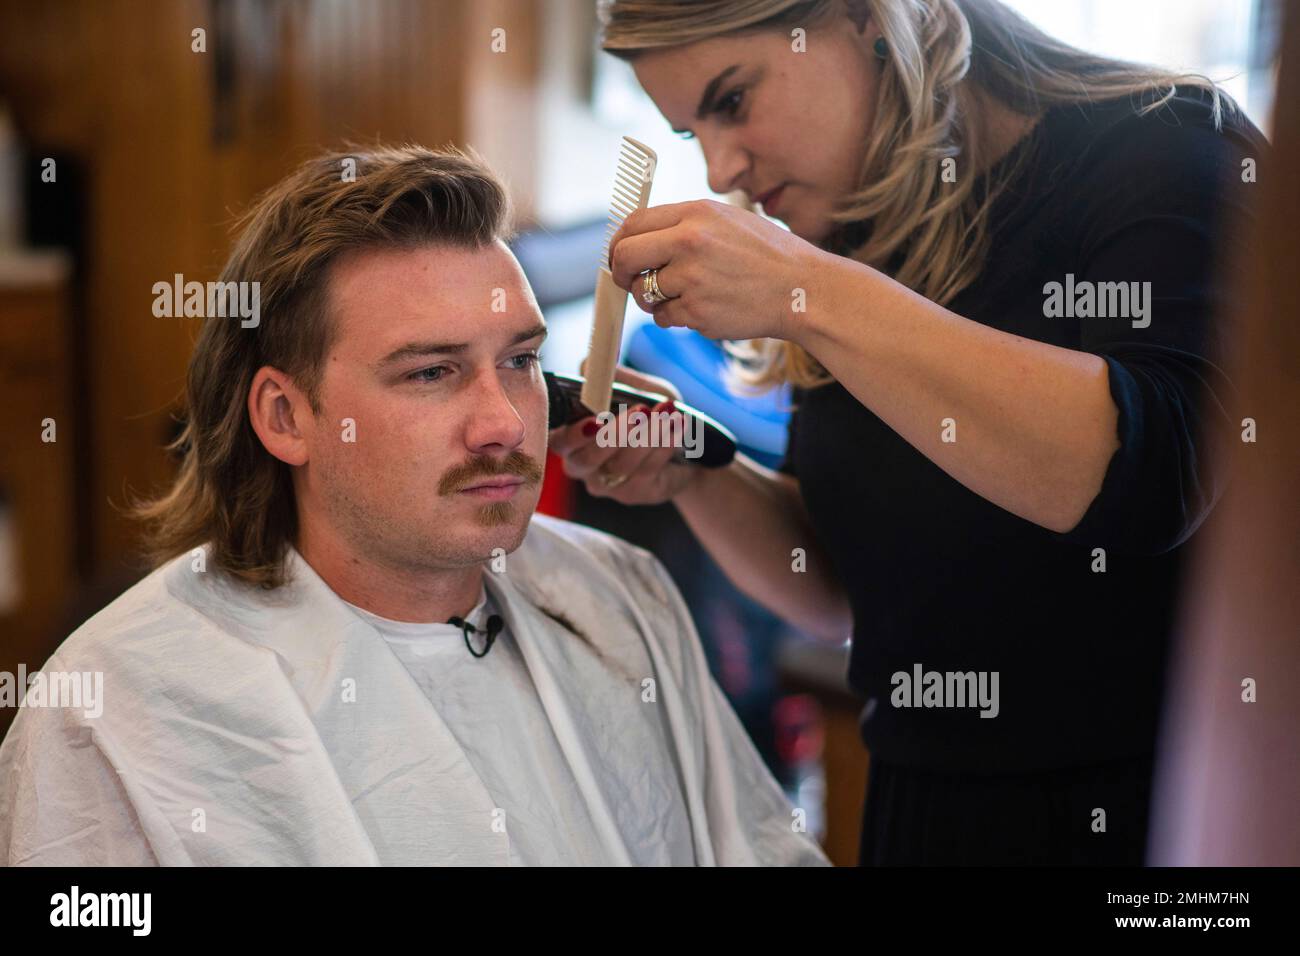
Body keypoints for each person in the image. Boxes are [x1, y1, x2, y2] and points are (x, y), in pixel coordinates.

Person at [547, 0, 1270, 864]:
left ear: (861, 18)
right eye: (690, 132)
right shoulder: (858, 224)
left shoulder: (1165, 151)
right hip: (921, 813)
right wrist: (693, 473)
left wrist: (809, 292)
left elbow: (1158, 476)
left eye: (732, 101)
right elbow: (846, 588)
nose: (722, 170)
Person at [0, 145, 829, 867]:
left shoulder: (619, 597)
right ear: (285, 418)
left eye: (521, 360)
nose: (504, 421)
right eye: (431, 372)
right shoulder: (120, 703)